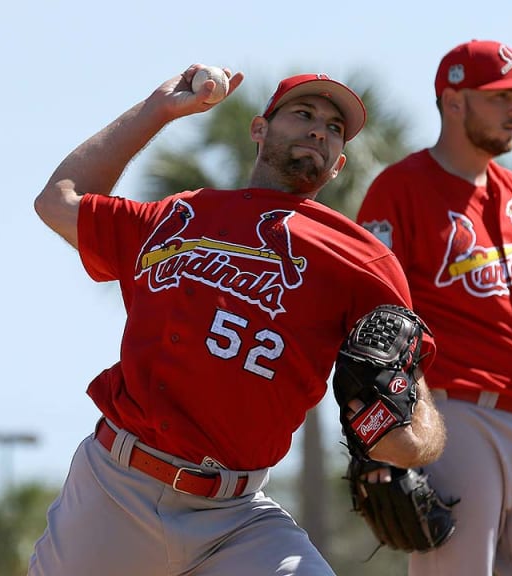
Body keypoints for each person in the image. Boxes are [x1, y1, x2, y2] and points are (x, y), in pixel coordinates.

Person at [28, 65, 447, 576]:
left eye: (334, 128)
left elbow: (408, 408)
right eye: (303, 113)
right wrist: (158, 109)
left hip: (236, 517)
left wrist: (414, 440)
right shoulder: (178, 216)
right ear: (259, 129)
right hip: (116, 490)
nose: (319, 129)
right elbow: (57, 201)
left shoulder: (362, 261)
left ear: (337, 165)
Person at [356, 40, 512, 575]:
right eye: (501, 96)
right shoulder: (401, 189)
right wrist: (378, 437)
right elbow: (369, 322)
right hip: (454, 416)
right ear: (455, 100)